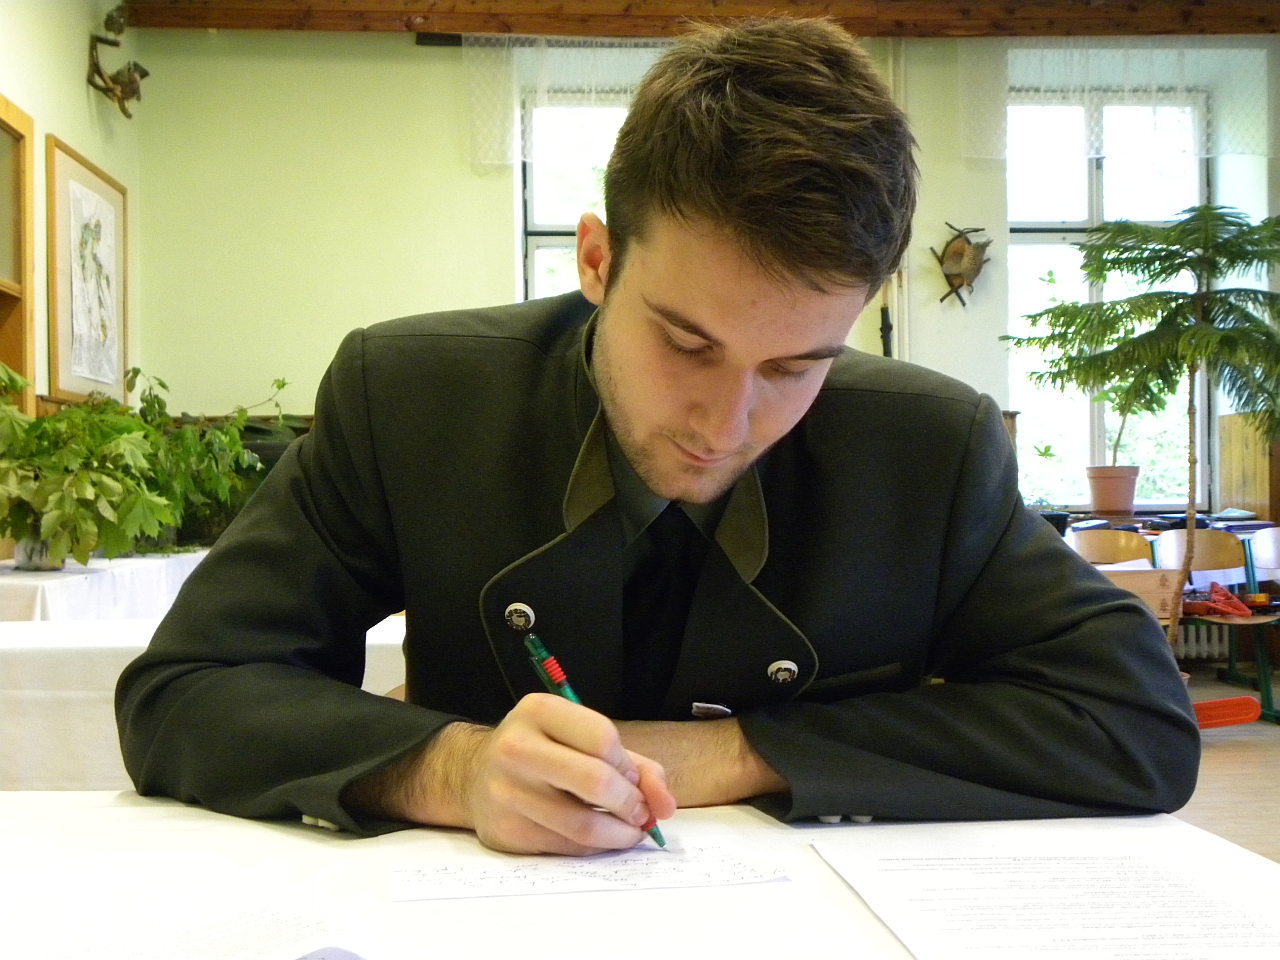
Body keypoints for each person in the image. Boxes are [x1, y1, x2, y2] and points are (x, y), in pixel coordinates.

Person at [116, 18, 1199, 857]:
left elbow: (1135, 723)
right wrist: (451, 769)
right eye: (685, 342)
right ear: (596, 260)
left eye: (794, 367)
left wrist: (732, 752)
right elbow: (185, 689)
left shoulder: (928, 449)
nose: (725, 426)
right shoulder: (408, 396)